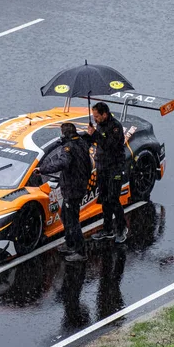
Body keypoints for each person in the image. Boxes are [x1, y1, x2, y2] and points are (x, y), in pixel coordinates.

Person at [35, 123, 92, 262]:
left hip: (72, 187)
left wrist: (42, 169)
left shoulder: (68, 148)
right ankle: (70, 242)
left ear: (64, 134)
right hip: (79, 184)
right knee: (65, 215)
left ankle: (80, 251)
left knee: (72, 219)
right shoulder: (82, 143)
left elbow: (62, 163)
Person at [86, 102, 129, 243]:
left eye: (97, 116)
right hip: (102, 166)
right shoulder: (100, 124)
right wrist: (91, 134)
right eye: (94, 116)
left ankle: (122, 229)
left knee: (113, 199)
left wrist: (96, 135)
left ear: (105, 114)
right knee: (104, 199)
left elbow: (109, 145)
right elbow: (98, 142)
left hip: (115, 167)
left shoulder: (115, 127)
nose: (95, 118)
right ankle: (107, 229)